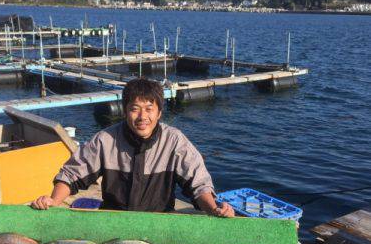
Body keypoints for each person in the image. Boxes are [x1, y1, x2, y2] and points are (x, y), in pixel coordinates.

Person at [32, 78, 234, 217]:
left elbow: (199, 185)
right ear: (125, 111)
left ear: (159, 113)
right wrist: (54, 201)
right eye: (134, 109)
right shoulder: (105, 140)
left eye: (149, 109)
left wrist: (214, 208)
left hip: (158, 223)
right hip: (113, 221)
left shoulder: (174, 141)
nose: (142, 117)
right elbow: (71, 175)